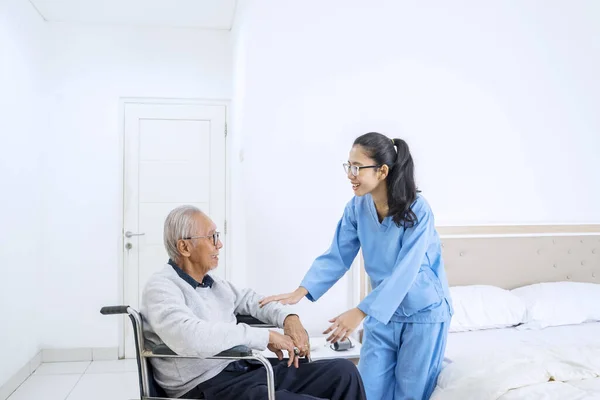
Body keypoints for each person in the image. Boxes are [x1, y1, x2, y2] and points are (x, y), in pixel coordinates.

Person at [260, 132, 453, 400]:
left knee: (410, 394)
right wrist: (302, 290)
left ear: (382, 171)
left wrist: (360, 311)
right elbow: (338, 254)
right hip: (381, 313)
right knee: (366, 391)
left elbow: (406, 270)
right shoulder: (357, 207)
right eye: (348, 166)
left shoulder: (418, 210)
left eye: (357, 167)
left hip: (422, 314)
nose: (350, 174)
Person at [142, 205, 366, 400]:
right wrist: (266, 336)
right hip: (206, 386)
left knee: (344, 372)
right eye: (212, 238)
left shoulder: (215, 285)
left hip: (244, 369)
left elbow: (255, 301)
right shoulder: (161, 288)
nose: (219, 245)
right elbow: (190, 337)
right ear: (184, 247)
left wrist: (289, 318)